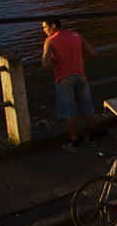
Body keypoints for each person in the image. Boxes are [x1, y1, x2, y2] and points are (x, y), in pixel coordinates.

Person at [41, 18, 98, 153]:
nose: (43, 30)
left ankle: (75, 141)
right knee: (87, 107)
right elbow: (93, 53)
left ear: (53, 26)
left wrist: (54, 58)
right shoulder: (76, 35)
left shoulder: (50, 40)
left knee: (70, 112)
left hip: (64, 79)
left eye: (44, 27)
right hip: (81, 77)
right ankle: (93, 137)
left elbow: (45, 63)